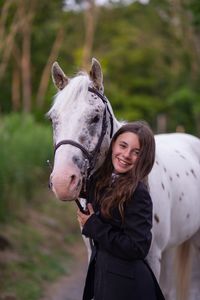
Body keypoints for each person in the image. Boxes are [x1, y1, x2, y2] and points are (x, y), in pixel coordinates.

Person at [77, 121, 165, 300]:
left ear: (144, 158)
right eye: (123, 146)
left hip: (128, 288)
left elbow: (137, 247)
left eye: (136, 152)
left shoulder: (138, 194)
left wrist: (94, 226)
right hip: (104, 279)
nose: (126, 155)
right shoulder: (103, 181)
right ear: (113, 144)